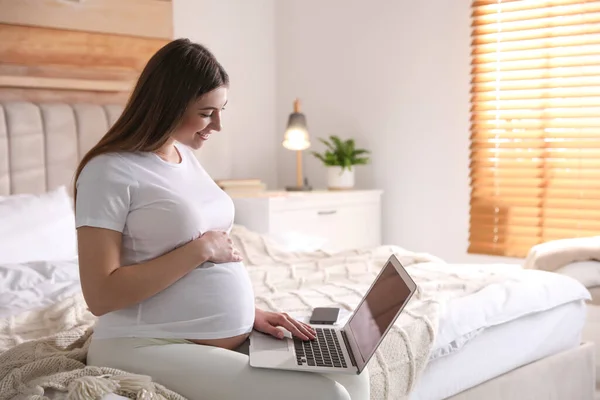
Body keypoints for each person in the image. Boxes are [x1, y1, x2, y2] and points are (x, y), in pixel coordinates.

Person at [75, 38, 370, 400]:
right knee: (330, 396)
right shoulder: (108, 171)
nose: (216, 125)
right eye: (205, 112)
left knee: (356, 377)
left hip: (220, 336)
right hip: (144, 343)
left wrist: (251, 315)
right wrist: (200, 250)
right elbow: (100, 294)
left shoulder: (183, 155)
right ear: (167, 105)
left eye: (221, 110)